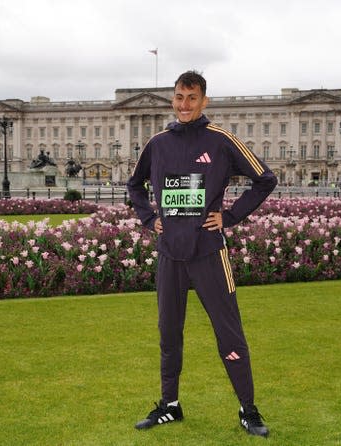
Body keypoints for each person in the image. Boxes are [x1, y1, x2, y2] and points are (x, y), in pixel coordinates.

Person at [127, 70, 277, 437]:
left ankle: (249, 410)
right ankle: (169, 406)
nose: (184, 104)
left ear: (204, 100)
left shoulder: (222, 141)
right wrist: (149, 217)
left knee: (229, 333)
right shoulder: (158, 143)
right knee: (169, 333)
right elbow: (133, 184)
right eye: (179, 97)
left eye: (191, 98)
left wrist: (229, 216)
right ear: (172, 99)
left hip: (210, 253)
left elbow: (265, 178)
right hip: (169, 255)